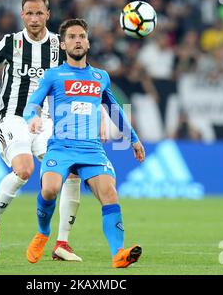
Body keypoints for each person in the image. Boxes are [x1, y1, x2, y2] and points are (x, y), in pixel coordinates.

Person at [0, 0, 82, 262]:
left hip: (46, 122)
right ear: (22, 16)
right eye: (29, 13)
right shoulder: (10, 43)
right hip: (13, 118)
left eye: (39, 13)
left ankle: (62, 244)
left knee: (70, 172)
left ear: (48, 15)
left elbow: (79, 77)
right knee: (24, 170)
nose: (34, 19)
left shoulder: (60, 45)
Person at [23, 18, 146, 268]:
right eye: (71, 37)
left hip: (92, 149)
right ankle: (43, 233)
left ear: (88, 42)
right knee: (49, 190)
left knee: (110, 194)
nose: (77, 40)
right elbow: (31, 104)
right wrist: (33, 117)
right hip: (61, 146)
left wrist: (133, 139)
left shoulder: (101, 77)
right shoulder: (53, 76)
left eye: (81, 36)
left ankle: (118, 254)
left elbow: (114, 110)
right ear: (63, 43)